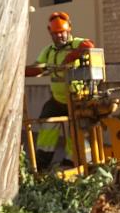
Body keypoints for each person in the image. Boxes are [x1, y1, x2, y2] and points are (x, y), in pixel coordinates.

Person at [24, 11, 94, 170]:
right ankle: (41, 162)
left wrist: (72, 56)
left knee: (76, 131)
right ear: (50, 32)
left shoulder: (76, 43)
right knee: (46, 123)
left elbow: (89, 45)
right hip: (57, 99)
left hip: (77, 99)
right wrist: (20, 71)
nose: (59, 36)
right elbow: (37, 68)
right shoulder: (48, 51)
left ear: (69, 29)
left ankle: (72, 162)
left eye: (62, 32)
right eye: (55, 33)